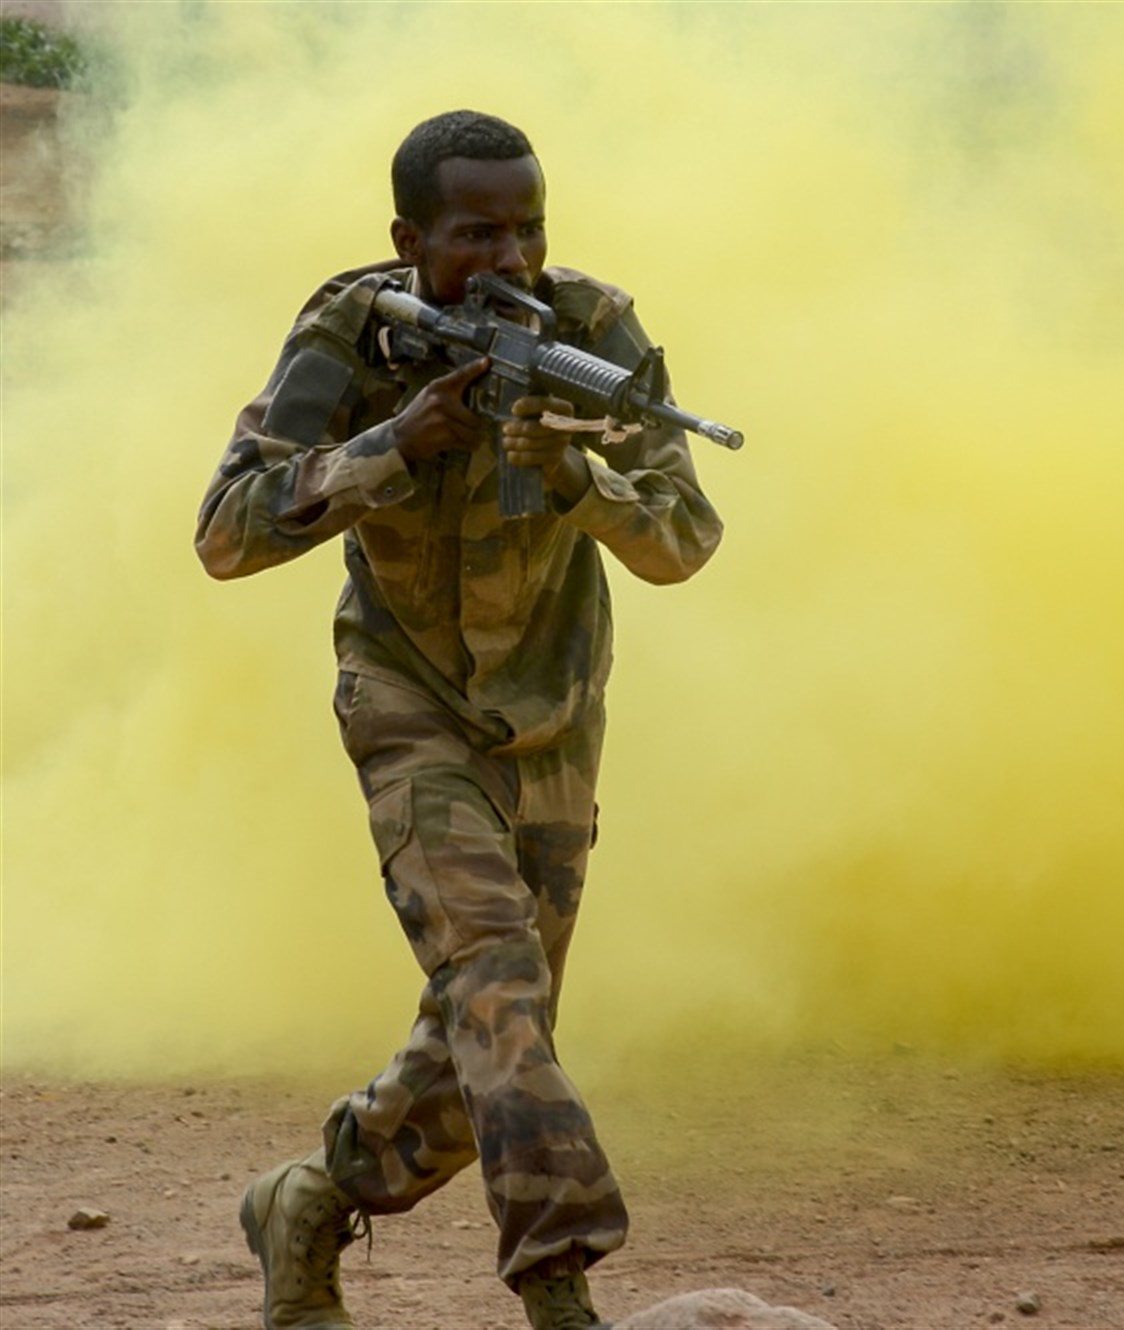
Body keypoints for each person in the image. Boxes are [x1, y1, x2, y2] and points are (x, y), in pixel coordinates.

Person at [195, 109, 724, 1330]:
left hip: (551, 713)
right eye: (476, 233)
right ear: (409, 239)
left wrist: (585, 477)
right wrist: (392, 441)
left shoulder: (591, 333)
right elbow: (225, 533)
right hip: (405, 702)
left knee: (493, 1028)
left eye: (529, 227)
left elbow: (685, 540)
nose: (511, 258)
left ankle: (311, 1199)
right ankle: (560, 1286)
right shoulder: (353, 332)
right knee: (493, 983)